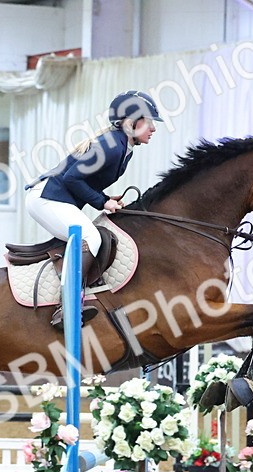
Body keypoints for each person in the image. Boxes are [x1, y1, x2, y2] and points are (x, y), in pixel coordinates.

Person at [25, 90, 162, 329]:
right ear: (131, 122)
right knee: (90, 237)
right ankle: (67, 306)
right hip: (46, 198)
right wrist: (102, 202)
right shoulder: (112, 146)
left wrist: (106, 198)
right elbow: (71, 178)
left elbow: (84, 180)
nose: (153, 128)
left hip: (55, 197)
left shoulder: (122, 146)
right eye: (149, 122)